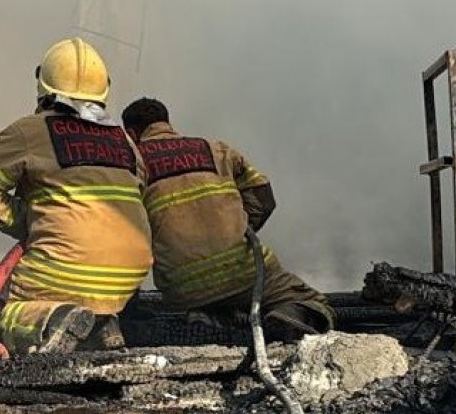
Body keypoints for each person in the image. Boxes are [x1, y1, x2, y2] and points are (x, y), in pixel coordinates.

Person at [0, 38, 153, 354]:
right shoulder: (124, 141)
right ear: (104, 89)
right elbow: (135, 198)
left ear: (43, 83)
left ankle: (54, 318)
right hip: (127, 280)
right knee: (94, 303)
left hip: (63, 272)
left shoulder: (29, 131)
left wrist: (26, 221)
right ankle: (102, 324)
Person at [121, 97, 334, 340]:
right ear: (167, 123)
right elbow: (262, 194)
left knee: (204, 302)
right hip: (244, 273)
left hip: (182, 288)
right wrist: (238, 229)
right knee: (311, 300)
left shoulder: (131, 165)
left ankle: (208, 315)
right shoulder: (216, 149)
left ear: (130, 133)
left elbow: (124, 227)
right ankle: (288, 316)